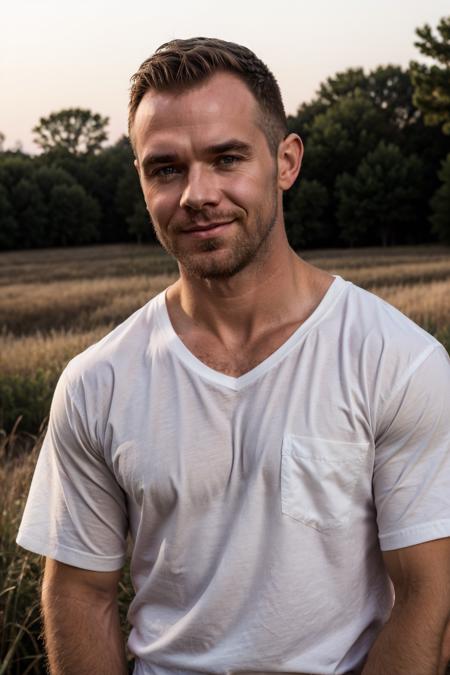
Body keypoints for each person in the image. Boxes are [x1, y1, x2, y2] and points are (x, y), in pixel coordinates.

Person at [17, 37, 450, 675]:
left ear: (286, 161)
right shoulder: (96, 383)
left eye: (226, 158)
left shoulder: (396, 361)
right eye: (166, 168)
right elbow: (80, 592)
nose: (197, 193)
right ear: (140, 180)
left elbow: (429, 598)